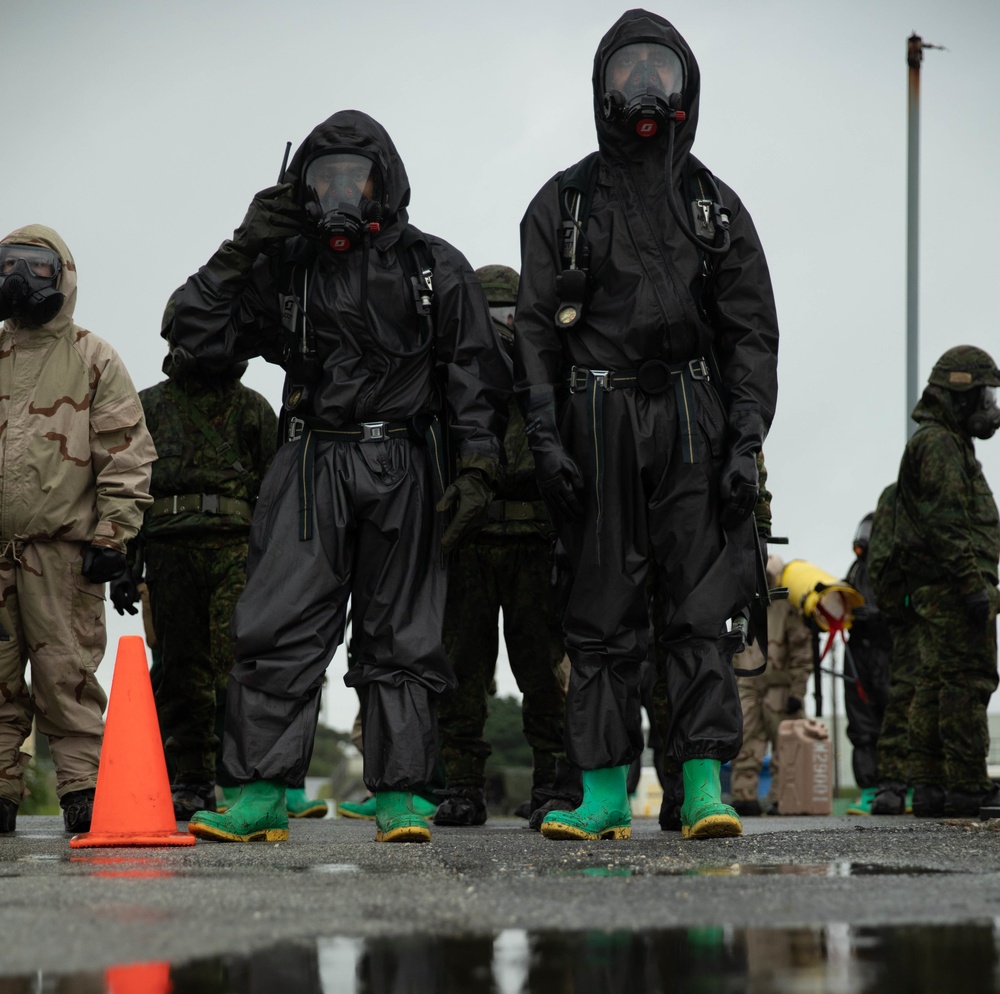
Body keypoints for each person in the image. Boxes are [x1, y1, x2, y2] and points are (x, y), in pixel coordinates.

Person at [169, 112, 509, 844]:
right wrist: (243, 244)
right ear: (302, 187)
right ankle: (259, 793)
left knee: (404, 636)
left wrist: (479, 464)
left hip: (406, 463)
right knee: (277, 623)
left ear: (385, 183)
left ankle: (402, 797)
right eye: (324, 179)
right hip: (311, 458)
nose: (342, 193)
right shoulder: (285, 264)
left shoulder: (433, 266)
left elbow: (473, 373)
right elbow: (191, 334)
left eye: (358, 178)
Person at [515, 13, 778, 842]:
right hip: (597, 416)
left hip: (694, 422)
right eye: (628, 73)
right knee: (598, 607)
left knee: (701, 605)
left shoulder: (715, 206)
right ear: (601, 88)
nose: (643, 91)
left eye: (659, 73)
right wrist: (547, 437)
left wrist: (745, 442)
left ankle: (702, 786)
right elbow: (531, 330)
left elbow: (751, 332)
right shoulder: (563, 202)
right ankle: (600, 791)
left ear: (686, 89)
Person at [0, 227, 155, 835]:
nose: (19, 279)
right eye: (9, 265)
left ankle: (84, 790)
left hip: (62, 555)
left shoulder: (94, 357)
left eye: (35, 268)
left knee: (66, 676)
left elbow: (127, 452)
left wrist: (113, 535)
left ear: (62, 276)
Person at [434, 264, 579, 829]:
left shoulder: (552, 375)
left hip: (535, 544)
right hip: (468, 544)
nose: (503, 327)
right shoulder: (451, 376)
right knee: (461, 669)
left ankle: (552, 783)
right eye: (491, 315)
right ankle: (463, 785)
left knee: (544, 672)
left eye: (511, 314)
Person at [139, 307, 287, 820]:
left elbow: (276, 492)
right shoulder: (147, 408)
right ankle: (193, 779)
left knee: (238, 666)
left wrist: (279, 567)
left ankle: (248, 779)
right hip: (167, 550)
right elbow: (126, 487)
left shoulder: (254, 410)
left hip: (235, 551)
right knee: (180, 669)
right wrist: (123, 559)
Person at [876, 347, 1000, 818]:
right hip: (952, 585)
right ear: (959, 395)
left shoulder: (942, 441)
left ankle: (930, 787)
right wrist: (972, 585)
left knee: (932, 683)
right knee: (966, 681)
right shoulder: (940, 444)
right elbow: (946, 522)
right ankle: (967, 785)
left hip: (941, 584)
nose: (989, 407)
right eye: (982, 395)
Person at [729, 553, 812, 814]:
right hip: (749, 684)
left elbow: (801, 651)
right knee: (746, 743)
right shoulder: (742, 603)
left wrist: (797, 691)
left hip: (779, 687)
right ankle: (744, 798)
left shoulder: (786, 606)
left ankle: (784, 799)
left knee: (786, 747)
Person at [867, 484, 920, 816]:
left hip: (933, 611)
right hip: (908, 619)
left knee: (948, 693)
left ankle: (937, 782)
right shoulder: (900, 496)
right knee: (904, 697)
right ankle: (892, 783)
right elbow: (882, 566)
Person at [842, 512, 893, 814]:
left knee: (894, 718)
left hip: (886, 651)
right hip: (859, 652)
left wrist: (878, 615)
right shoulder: (857, 570)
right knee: (861, 725)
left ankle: (899, 785)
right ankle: (870, 788)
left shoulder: (890, 570)